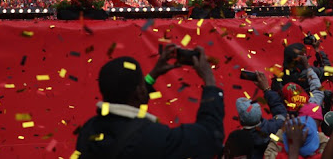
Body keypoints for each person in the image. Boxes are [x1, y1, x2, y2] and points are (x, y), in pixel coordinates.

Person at [74, 44, 224, 158]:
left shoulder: (88, 130)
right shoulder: (151, 136)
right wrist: (209, 80)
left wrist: (153, 75)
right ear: (139, 92)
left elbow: (130, 100)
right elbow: (210, 136)